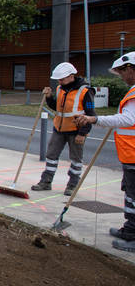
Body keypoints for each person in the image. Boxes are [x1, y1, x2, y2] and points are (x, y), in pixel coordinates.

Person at [76, 52, 135, 252]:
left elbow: (127, 120)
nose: (121, 77)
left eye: (122, 73)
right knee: (129, 194)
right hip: (130, 154)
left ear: (130, 69)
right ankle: (130, 229)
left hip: (134, 154)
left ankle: (133, 236)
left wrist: (95, 119)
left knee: (134, 196)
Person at [31, 62, 96, 195]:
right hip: (59, 129)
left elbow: (90, 114)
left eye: (62, 79)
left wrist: (83, 133)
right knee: (51, 156)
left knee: (76, 160)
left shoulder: (85, 91)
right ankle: (46, 182)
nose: (59, 81)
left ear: (71, 76)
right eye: (58, 79)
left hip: (76, 131)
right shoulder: (60, 88)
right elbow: (57, 107)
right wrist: (49, 97)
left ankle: (72, 185)